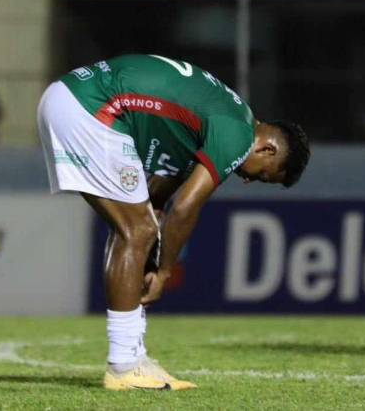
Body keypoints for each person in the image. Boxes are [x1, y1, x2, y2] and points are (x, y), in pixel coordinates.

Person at [37, 54, 310, 390]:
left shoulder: (212, 124)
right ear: (267, 149)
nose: (250, 181)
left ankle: (134, 357)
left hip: (76, 98)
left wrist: (149, 259)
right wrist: (165, 272)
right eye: (263, 176)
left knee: (136, 228)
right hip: (92, 107)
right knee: (136, 230)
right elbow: (184, 207)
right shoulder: (237, 134)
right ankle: (124, 365)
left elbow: (157, 200)